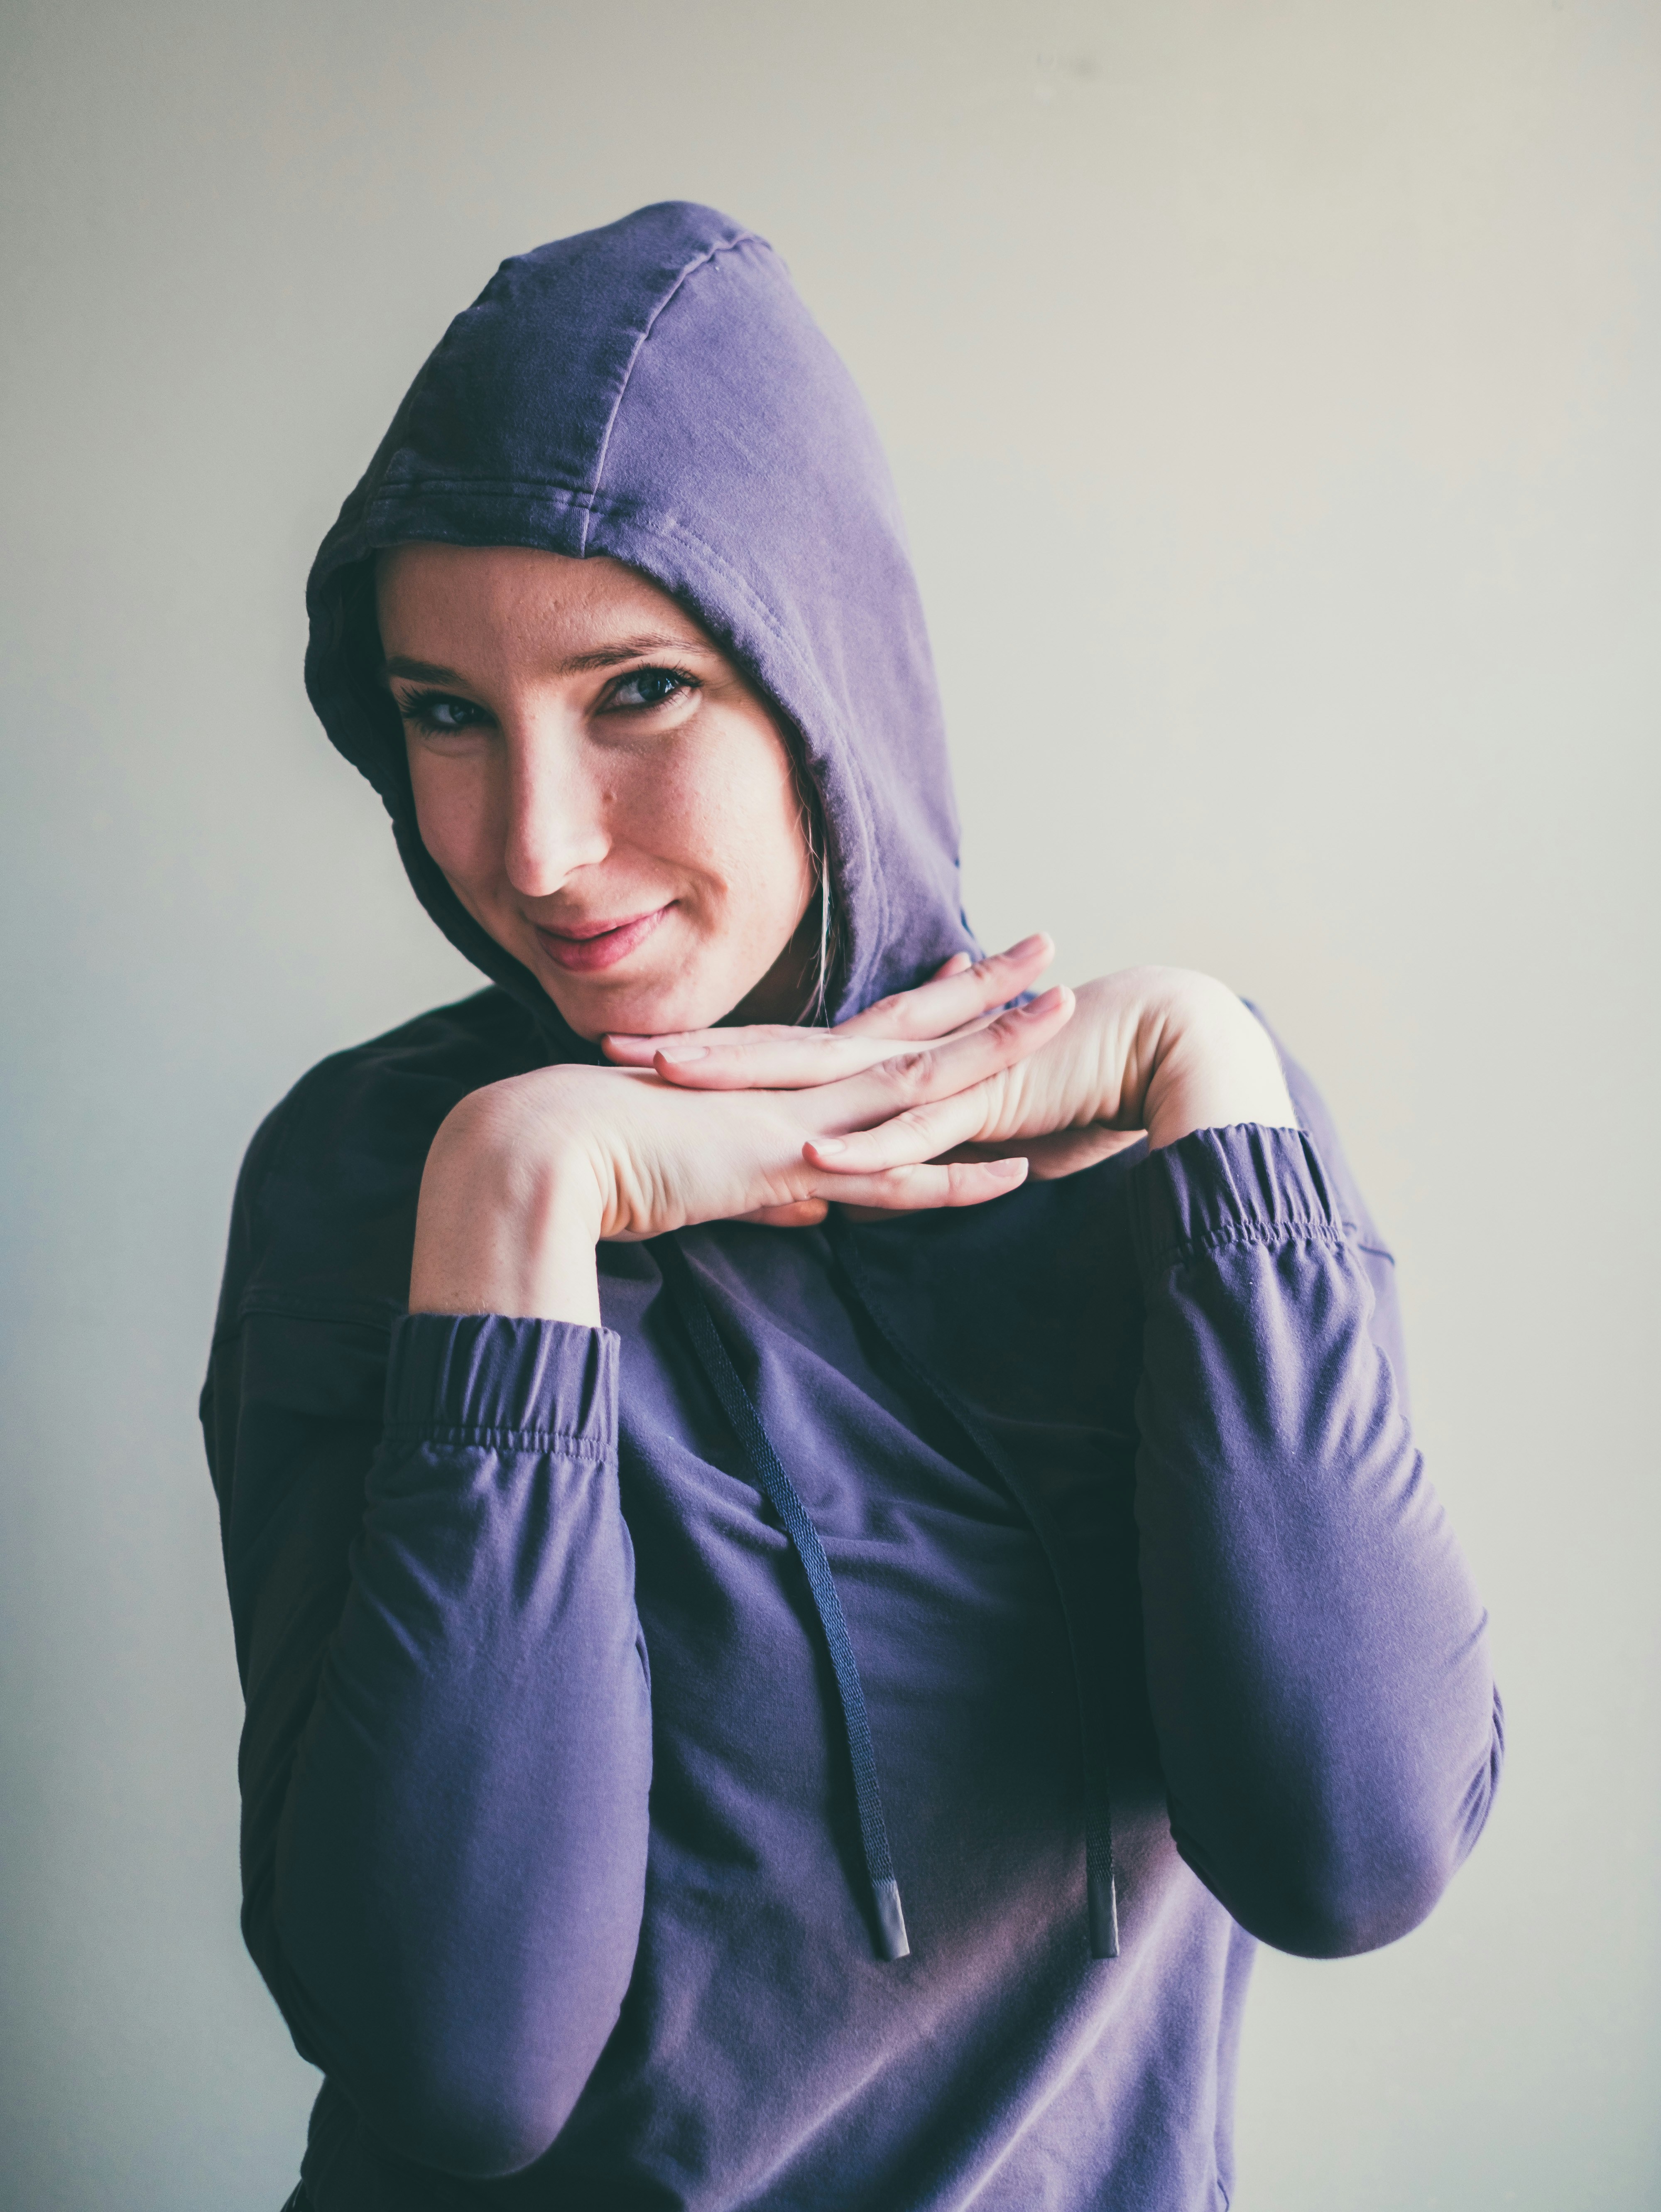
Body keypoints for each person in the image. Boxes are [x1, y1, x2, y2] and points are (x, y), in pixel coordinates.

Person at [202, 201, 1502, 2212]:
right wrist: (517, 1203)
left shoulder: (1164, 1158)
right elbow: (458, 2059)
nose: (533, 846)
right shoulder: (376, 1178)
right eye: (445, 714)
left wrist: (1218, 1073)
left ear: (821, 682)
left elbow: (1352, 1846)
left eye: (635, 691)